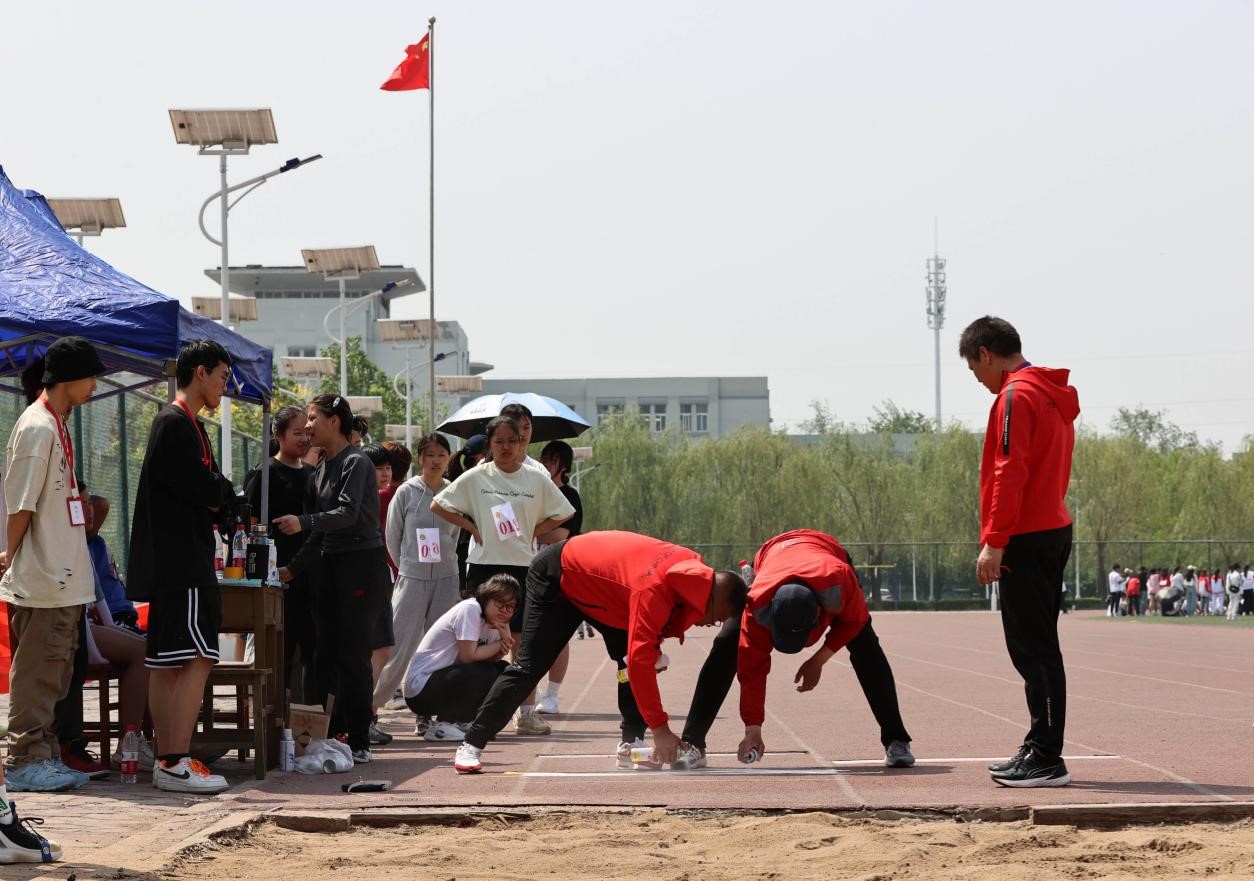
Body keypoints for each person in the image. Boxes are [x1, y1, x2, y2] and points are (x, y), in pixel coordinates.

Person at [451, 530, 747, 774]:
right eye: (715, 618)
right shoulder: (653, 591)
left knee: (629, 662)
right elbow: (640, 663)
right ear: (705, 599)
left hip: (605, 594)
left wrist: (652, 650)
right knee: (529, 667)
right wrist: (661, 730)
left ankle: (631, 744)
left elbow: (641, 653)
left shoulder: (693, 574)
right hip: (558, 577)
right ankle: (471, 743)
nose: (711, 625)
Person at [678, 529, 914, 771]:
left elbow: (854, 622)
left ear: (819, 614)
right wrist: (753, 728)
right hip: (772, 559)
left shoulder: (840, 582)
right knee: (727, 644)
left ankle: (896, 740)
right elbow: (752, 669)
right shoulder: (757, 604)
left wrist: (819, 659)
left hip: (826, 556)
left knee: (866, 646)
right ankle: (692, 742)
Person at [961, 316, 1079, 788]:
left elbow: (1009, 471)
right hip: (1051, 528)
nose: (978, 380)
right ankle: (1039, 745)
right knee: (1038, 646)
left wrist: (995, 540)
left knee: (1033, 649)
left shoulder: (1016, 395)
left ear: (985, 353)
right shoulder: (1050, 394)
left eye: (975, 369)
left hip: (1025, 536)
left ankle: (1046, 757)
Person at [127, 339, 236, 794]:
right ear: (200, 372)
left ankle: (169, 760)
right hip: (182, 562)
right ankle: (174, 759)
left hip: (178, 560)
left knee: (170, 661)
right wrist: (221, 493)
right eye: (222, 377)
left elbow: (207, 489)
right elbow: (203, 487)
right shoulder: (173, 422)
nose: (225, 387)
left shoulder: (188, 424)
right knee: (197, 657)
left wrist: (218, 494)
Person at [0, 338, 105, 798]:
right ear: (69, 378)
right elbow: (19, 507)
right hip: (43, 579)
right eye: (91, 376)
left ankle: (42, 755)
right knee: (38, 674)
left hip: (63, 578)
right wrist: (11, 556)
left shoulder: (56, 424)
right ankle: (24, 759)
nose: (95, 385)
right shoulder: (37, 427)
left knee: (56, 674)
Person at [431, 415, 574, 735]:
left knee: (523, 643)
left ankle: (526, 714)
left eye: (512, 441)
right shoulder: (476, 476)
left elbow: (565, 512)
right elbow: (439, 505)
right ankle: (469, 712)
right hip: (484, 566)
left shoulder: (535, 478)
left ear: (521, 442)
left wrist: (533, 530)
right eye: (499, 442)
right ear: (490, 444)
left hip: (523, 567)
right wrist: (472, 527)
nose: (506, 447)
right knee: (478, 638)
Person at [277, 395, 392, 764]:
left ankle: (358, 739)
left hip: (361, 565)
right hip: (328, 566)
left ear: (335, 421)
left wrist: (303, 521)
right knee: (322, 655)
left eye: (313, 418)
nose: (308, 426)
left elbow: (347, 513)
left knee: (354, 654)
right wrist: (293, 569)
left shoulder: (356, 462)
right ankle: (326, 734)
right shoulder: (321, 467)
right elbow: (319, 533)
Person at [373, 433, 460, 735]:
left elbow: (454, 536)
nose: (436, 460)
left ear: (448, 459)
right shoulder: (407, 492)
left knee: (440, 649)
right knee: (397, 647)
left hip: (446, 578)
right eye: (430, 454)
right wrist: (407, 567)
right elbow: (392, 536)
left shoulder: (453, 492)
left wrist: (443, 562)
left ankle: (428, 713)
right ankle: (370, 709)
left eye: (441, 455)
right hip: (411, 577)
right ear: (420, 458)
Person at [243, 405, 316, 703]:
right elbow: (250, 526)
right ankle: (274, 713)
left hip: (308, 573)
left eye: (307, 433)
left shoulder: (313, 474)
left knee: (309, 649)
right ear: (278, 434)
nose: (305, 439)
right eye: (297, 433)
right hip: (277, 576)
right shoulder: (265, 474)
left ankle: (306, 716)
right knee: (280, 649)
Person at [402, 574, 516, 741]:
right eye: (500, 604)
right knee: (484, 672)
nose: (504, 610)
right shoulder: (470, 609)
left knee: (504, 671)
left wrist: (502, 647)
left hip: (449, 681)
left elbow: (491, 661)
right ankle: (444, 725)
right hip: (421, 690)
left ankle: (467, 720)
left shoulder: (497, 622)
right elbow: (468, 656)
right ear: (486, 599)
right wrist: (501, 644)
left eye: (510, 607)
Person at [534, 440, 584, 715]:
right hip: (528, 568)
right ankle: (531, 692)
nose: (543, 463)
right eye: (542, 457)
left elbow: (562, 534)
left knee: (557, 634)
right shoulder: (534, 490)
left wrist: (532, 531)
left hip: (559, 571)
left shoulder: (569, 496)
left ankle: (552, 695)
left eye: (550, 459)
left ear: (562, 466)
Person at [359, 443, 397, 746]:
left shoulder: (388, 496)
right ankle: (363, 717)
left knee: (382, 649)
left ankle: (366, 715)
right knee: (374, 650)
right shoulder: (363, 499)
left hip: (383, 577)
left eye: (388, 468)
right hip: (365, 579)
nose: (385, 474)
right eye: (379, 468)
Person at [446, 434, 487, 597]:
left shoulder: (458, 478)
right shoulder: (474, 479)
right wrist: (472, 528)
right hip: (468, 546)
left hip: (459, 549)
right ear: (482, 456)